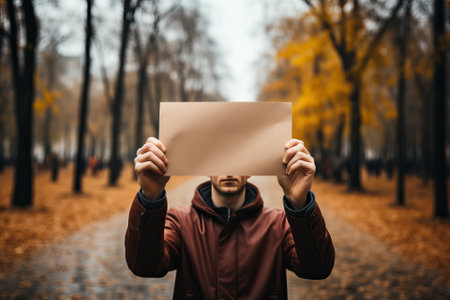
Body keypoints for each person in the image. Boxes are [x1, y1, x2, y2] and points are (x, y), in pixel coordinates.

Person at [125, 137, 335, 299]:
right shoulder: (180, 222)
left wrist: (299, 203)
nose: (229, 169)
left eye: (238, 160)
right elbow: (145, 266)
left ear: (250, 170)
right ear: (207, 169)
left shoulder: (278, 224)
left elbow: (317, 269)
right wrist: (150, 197)